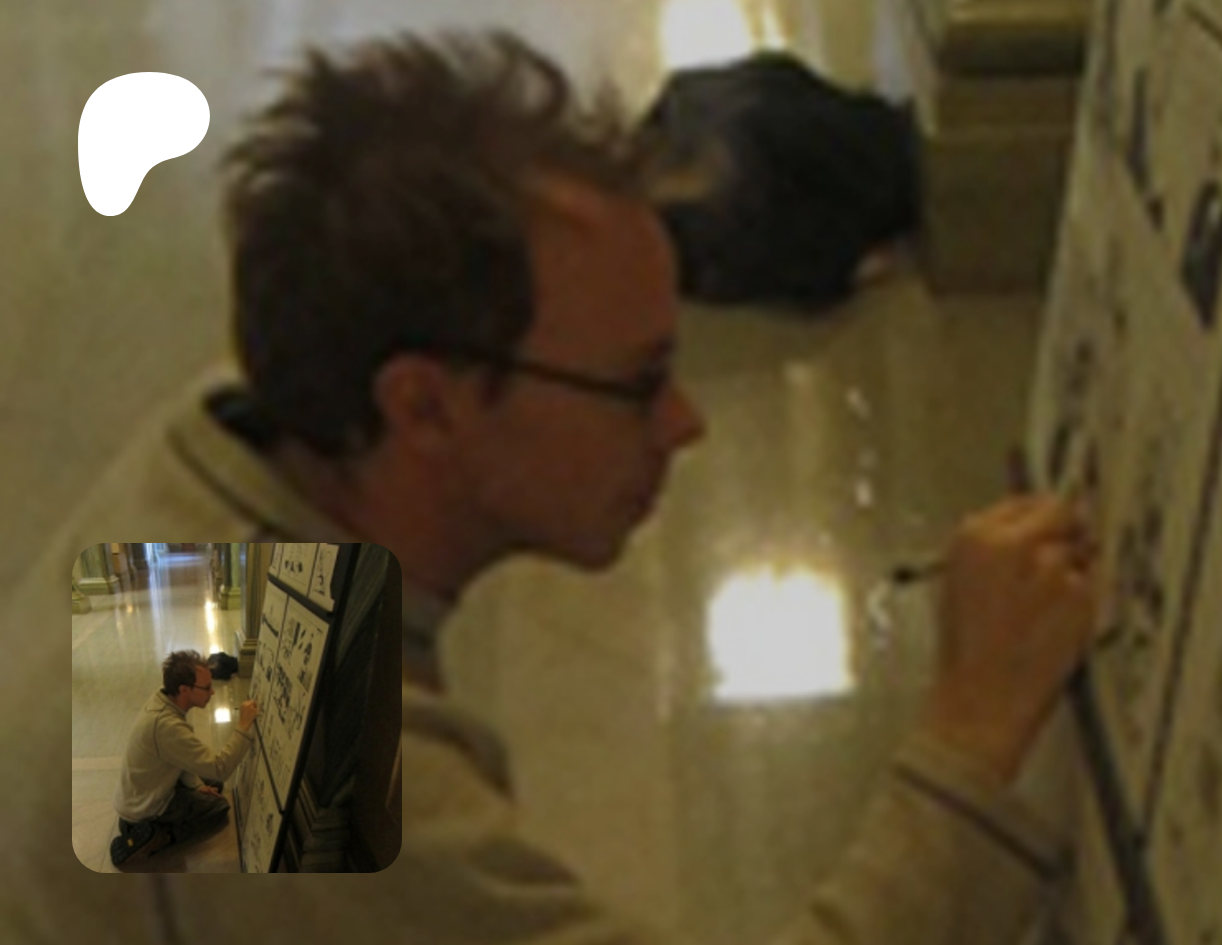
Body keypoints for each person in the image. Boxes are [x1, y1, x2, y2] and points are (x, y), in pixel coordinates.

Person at [3, 28, 1098, 943]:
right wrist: (972, 726)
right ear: (424, 406)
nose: (685, 424)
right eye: (637, 383)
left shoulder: (246, 425)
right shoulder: (241, 732)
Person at [110, 651, 262, 867]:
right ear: (184, 690)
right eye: (206, 688)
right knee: (218, 808)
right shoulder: (166, 725)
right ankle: (160, 835)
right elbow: (220, 767)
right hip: (145, 807)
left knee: (212, 784)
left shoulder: (164, 698)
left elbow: (179, 756)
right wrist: (244, 725)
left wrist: (197, 786)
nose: (212, 692)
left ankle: (144, 825)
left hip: (142, 792)